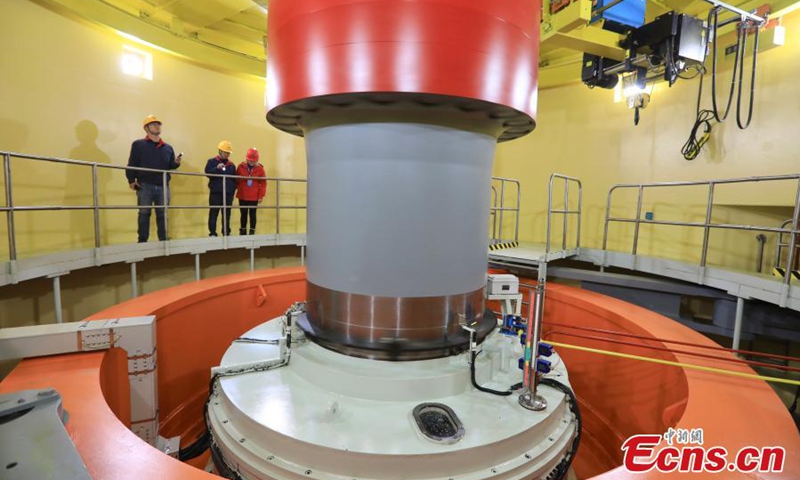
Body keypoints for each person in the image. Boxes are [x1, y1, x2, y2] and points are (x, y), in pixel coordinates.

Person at [126, 115, 181, 243]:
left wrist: (176, 163)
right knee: (144, 213)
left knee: (163, 213)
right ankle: (142, 241)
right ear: (146, 128)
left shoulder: (168, 148)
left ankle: (163, 239)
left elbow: (169, 166)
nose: (157, 126)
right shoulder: (139, 145)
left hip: (163, 185)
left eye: (158, 124)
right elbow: (132, 163)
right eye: (153, 124)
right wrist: (131, 180)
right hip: (145, 185)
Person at [205, 141, 237, 236]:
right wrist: (217, 168)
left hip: (227, 194)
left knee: (226, 214)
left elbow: (234, 180)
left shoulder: (231, 165)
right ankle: (213, 233)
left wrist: (232, 191)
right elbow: (207, 173)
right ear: (220, 151)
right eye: (225, 152)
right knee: (214, 213)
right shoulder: (212, 162)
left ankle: (226, 232)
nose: (227, 154)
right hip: (216, 193)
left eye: (228, 153)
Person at [236, 148, 267, 235]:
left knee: (253, 214)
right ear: (246, 159)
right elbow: (236, 180)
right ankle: (242, 230)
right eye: (250, 160)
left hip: (254, 196)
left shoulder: (260, 169)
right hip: (242, 195)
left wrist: (261, 196)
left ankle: (252, 231)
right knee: (243, 213)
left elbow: (263, 183)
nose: (252, 162)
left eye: (254, 161)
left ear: (257, 160)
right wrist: (238, 189)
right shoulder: (240, 167)